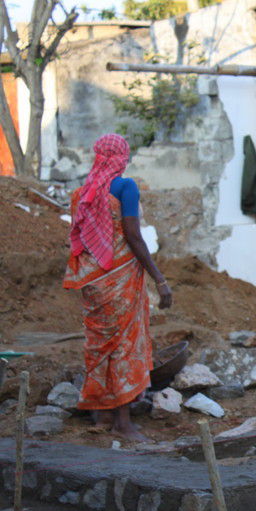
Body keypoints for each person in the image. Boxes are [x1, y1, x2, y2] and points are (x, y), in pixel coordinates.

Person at [63, 134, 172, 443]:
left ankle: (102, 412)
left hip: (93, 282)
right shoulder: (126, 187)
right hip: (120, 278)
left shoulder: (80, 194)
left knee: (99, 344)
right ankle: (122, 424)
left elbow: (81, 243)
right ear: (122, 157)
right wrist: (159, 279)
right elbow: (133, 236)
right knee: (123, 343)